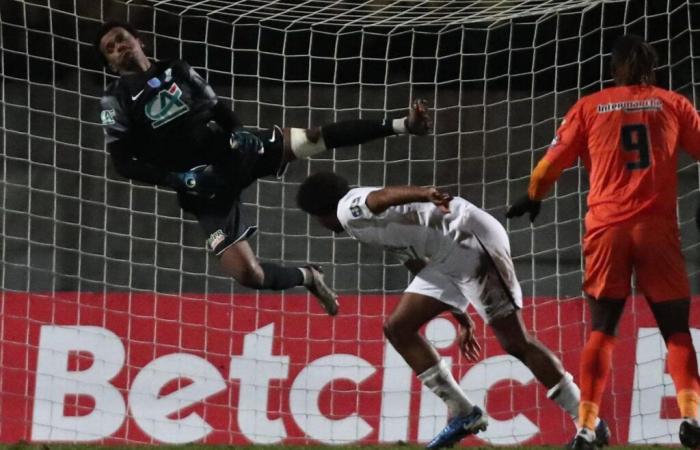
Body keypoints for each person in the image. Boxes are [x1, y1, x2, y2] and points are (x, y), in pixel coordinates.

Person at [94, 21, 432, 316]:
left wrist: (238, 132)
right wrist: (178, 179)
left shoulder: (177, 70)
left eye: (122, 38)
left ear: (140, 41)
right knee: (248, 275)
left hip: (232, 152)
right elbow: (122, 163)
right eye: (110, 48)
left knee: (312, 139)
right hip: (203, 185)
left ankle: (403, 125)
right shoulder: (116, 100)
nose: (119, 47)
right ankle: (309, 277)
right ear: (110, 64)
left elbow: (218, 110)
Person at [296, 172, 610, 449]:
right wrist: (463, 321)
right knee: (398, 327)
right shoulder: (369, 224)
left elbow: (381, 198)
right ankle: (464, 413)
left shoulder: (348, 209)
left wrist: (424, 192)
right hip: (447, 256)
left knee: (516, 341)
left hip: (468, 240)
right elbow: (415, 262)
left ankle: (590, 422)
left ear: (319, 212)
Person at [506, 34, 700, 450]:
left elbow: (545, 170)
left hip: (606, 230)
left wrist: (533, 196)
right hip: (658, 231)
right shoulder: (675, 104)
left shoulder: (590, 106)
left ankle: (587, 426)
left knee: (603, 330)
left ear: (613, 70)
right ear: (654, 68)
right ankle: (691, 417)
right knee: (676, 329)